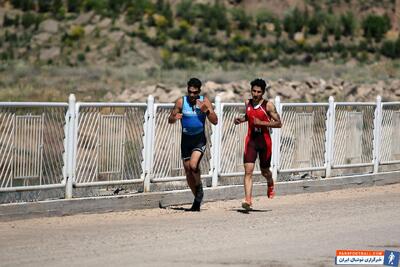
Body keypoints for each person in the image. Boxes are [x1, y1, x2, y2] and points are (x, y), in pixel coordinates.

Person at [168, 78, 218, 211]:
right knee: (188, 171)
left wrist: (206, 110)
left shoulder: (204, 101)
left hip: (199, 139)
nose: (191, 95)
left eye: (194, 93)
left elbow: (215, 121)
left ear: (199, 92)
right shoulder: (181, 101)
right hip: (186, 140)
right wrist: (174, 118)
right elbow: (170, 119)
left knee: (193, 165)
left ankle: (199, 188)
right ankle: (197, 199)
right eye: (190, 92)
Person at [234, 78, 282, 210]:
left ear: (263, 92)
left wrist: (262, 123)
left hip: (264, 142)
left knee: (264, 171)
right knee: (248, 171)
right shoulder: (247, 103)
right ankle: (248, 200)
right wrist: (241, 120)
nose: (255, 94)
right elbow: (249, 117)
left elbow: (279, 123)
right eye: (253, 91)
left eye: (258, 92)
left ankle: (270, 181)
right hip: (251, 141)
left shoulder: (268, 105)